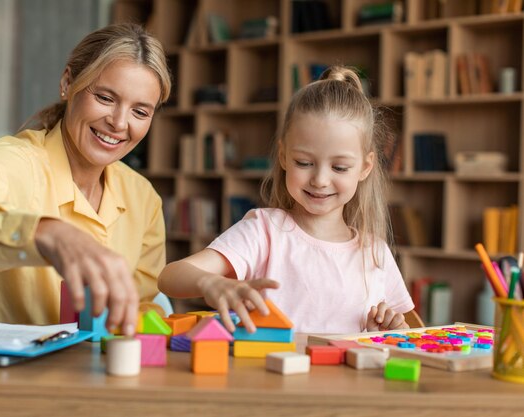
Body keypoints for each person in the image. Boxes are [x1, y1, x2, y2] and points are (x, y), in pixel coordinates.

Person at [0, 23, 171, 336]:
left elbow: (140, 306)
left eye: (140, 112)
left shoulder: (143, 198)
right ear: (68, 83)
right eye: (105, 97)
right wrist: (45, 234)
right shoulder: (14, 160)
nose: (119, 123)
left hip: (90, 378)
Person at [158, 66, 414, 334]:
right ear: (283, 156)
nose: (320, 180)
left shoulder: (375, 252)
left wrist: (384, 329)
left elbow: (407, 329)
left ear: (365, 167)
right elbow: (169, 277)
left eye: (339, 168)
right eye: (304, 162)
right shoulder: (264, 231)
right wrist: (209, 283)